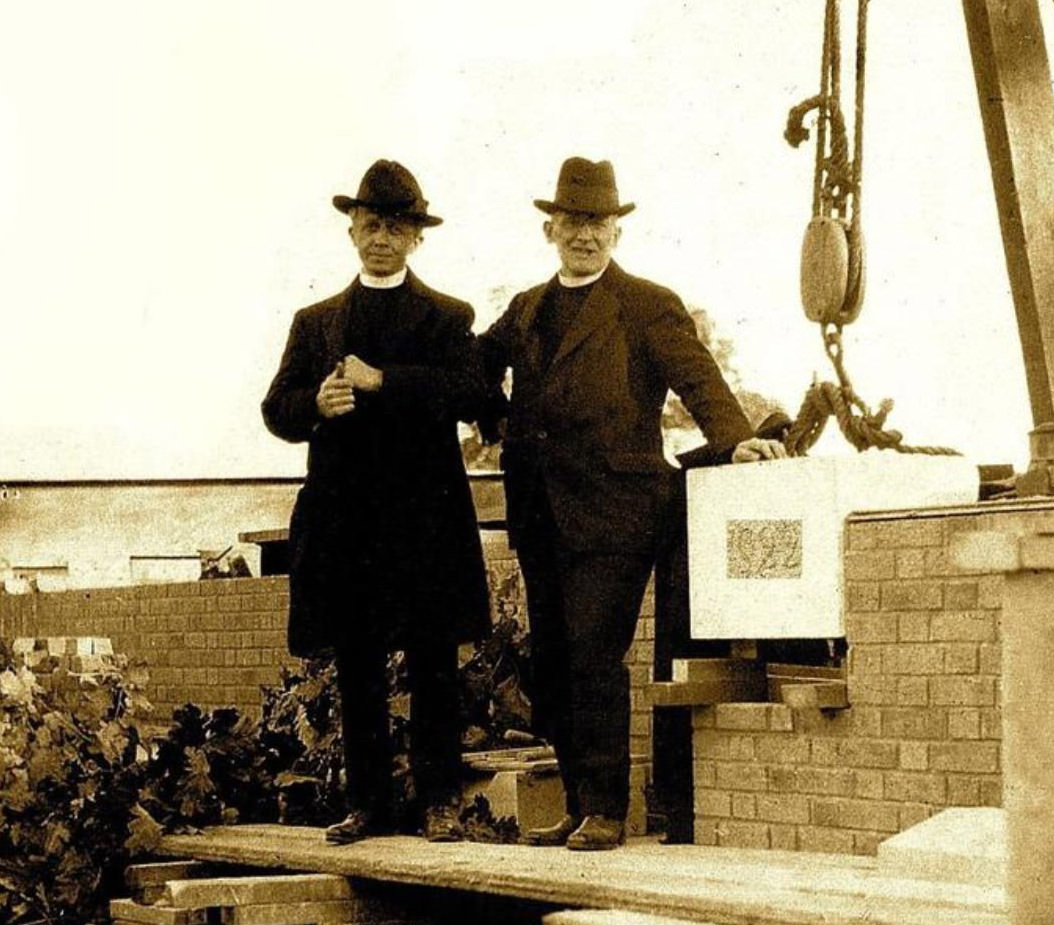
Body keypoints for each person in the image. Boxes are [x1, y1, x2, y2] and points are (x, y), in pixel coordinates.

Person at [477, 156, 786, 851]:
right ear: (549, 228)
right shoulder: (525, 309)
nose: (585, 235)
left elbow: (694, 374)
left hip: (616, 508)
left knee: (592, 652)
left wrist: (733, 439)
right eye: (574, 222)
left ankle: (607, 811)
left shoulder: (645, 303)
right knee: (552, 661)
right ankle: (577, 800)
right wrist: (490, 414)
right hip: (539, 511)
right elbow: (473, 366)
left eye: (599, 223)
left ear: (615, 231)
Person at [262, 159, 490, 844]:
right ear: (352, 232)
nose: (380, 238)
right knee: (356, 663)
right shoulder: (317, 321)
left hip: (424, 521)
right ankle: (366, 804)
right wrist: (316, 403)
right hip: (347, 525)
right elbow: (276, 407)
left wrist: (384, 380)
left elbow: (473, 394)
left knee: (431, 666)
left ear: (416, 237)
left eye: (394, 227)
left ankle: (439, 800)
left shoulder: (448, 317)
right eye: (369, 225)